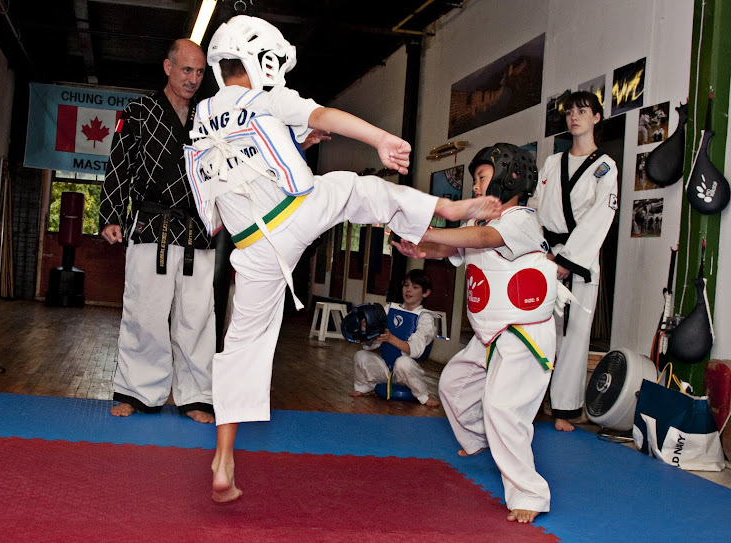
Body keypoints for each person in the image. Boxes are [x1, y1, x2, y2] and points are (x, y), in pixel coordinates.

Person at [184, 15, 502, 503]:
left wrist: (294, 145)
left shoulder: (203, 117)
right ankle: (450, 210)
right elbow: (325, 114)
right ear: (259, 60)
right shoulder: (265, 98)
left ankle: (223, 458)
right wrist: (379, 139)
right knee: (362, 188)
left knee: (239, 348)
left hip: (252, 249)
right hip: (293, 216)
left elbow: (242, 176)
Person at [394, 143, 562, 524]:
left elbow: (485, 242)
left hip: (525, 336)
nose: (474, 188)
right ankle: (483, 439)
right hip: (488, 335)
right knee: (452, 386)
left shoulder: (521, 219)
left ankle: (529, 494)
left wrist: (434, 230)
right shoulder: (475, 225)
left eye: (481, 179)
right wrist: (423, 249)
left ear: (509, 178)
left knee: (503, 407)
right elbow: (452, 250)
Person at [99, 39, 216, 423]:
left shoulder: (210, 117)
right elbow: (119, 164)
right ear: (168, 67)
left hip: (197, 227)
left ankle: (196, 395)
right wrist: (111, 215)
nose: (193, 79)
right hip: (151, 224)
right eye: (186, 70)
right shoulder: (139, 112)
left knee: (197, 317)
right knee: (144, 313)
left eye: (200, 72)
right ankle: (136, 392)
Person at [529, 91, 618, 432]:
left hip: (580, 259)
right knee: (542, 331)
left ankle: (564, 409)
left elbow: (600, 217)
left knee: (577, 334)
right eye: (569, 112)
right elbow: (537, 207)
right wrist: (542, 251)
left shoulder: (605, 166)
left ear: (597, 117)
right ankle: (533, 398)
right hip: (547, 255)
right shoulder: (553, 163)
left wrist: (568, 258)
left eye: (582, 111)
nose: (574, 117)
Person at [349, 269, 440, 407]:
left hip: (406, 373)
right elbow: (371, 344)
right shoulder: (389, 309)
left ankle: (423, 395)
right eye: (406, 285)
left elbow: (416, 350)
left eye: (415, 287)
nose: (408, 290)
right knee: (361, 355)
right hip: (385, 369)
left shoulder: (425, 317)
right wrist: (366, 328)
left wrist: (391, 338)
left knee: (403, 362)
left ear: (425, 293)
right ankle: (364, 386)